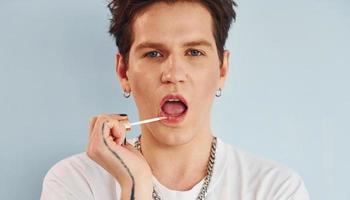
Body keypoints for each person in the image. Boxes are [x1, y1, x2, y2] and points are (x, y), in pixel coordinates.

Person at [40, 0, 310, 199]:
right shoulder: (74, 182)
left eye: (193, 52)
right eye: (154, 54)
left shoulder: (275, 189)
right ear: (124, 72)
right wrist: (134, 186)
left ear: (222, 70)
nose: (173, 74)